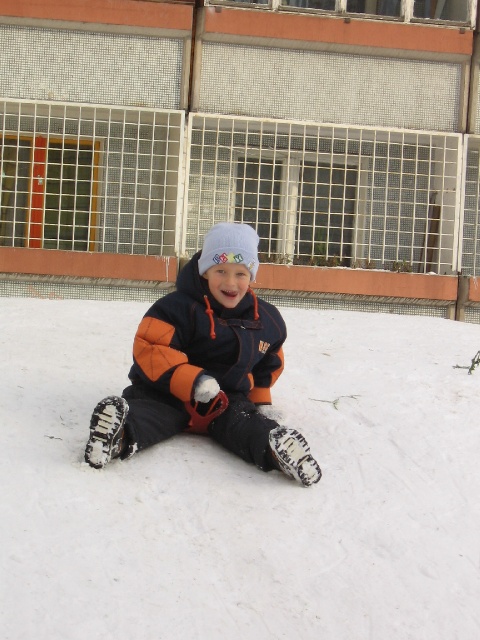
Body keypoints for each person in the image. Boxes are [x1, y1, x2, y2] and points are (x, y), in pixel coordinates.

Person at [84, 222, 321, 487]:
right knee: (149, 415)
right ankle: (117, 435)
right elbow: (150, 347)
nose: (230, 282)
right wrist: (193, 380)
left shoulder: (266, 320)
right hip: (166, 393)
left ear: (252, 275)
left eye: (240, 273)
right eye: (221, 271)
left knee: (244, 424)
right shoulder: (175, 308)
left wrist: (261, 399)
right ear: (205, 270)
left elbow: (269, 361)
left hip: (224, 401)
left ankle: (276, 450)